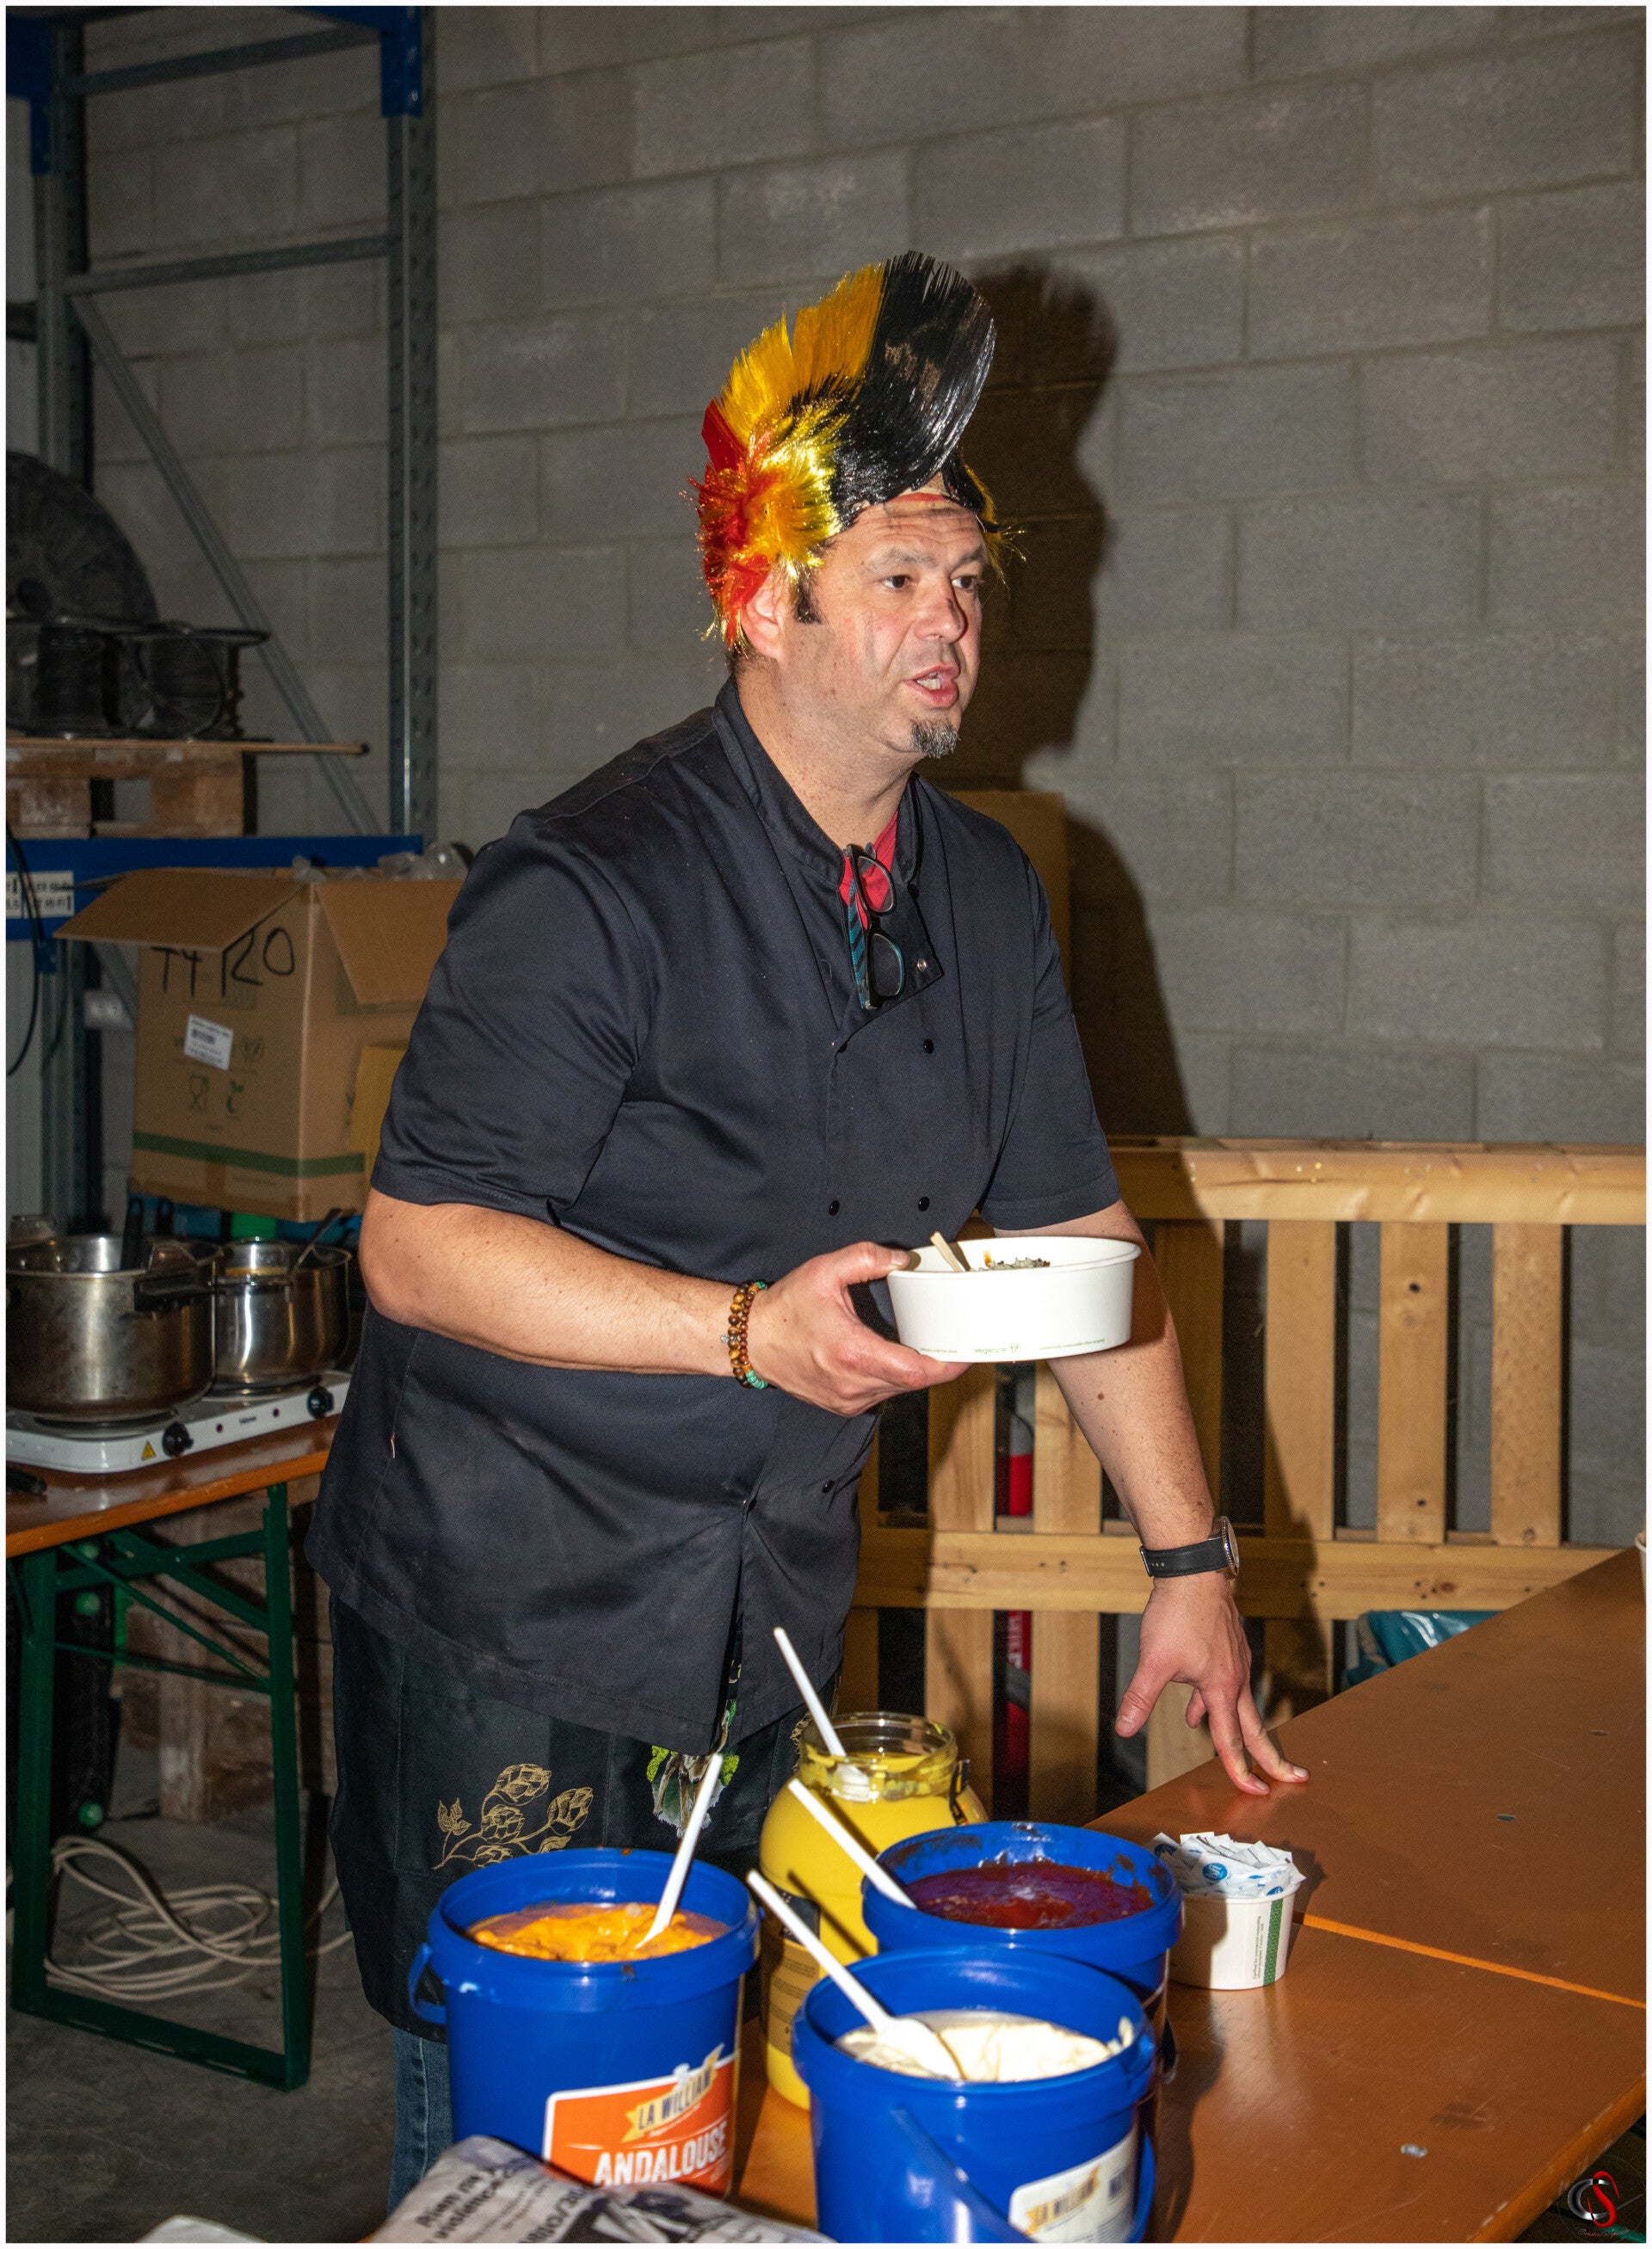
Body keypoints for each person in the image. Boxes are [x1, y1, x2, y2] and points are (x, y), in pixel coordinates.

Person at [306, 250, 1305, 2210]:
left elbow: (1085, 1240)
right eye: (902, 577)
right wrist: (743, 1331)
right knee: (525, 2101)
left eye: (969, 579)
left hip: (761, 1592)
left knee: (709, 2079)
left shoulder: (986, 895)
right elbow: (417, 1247)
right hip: (510, 1591)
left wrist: (1190, 1561)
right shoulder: (590, 882)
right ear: (768, 605)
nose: (957, 622)